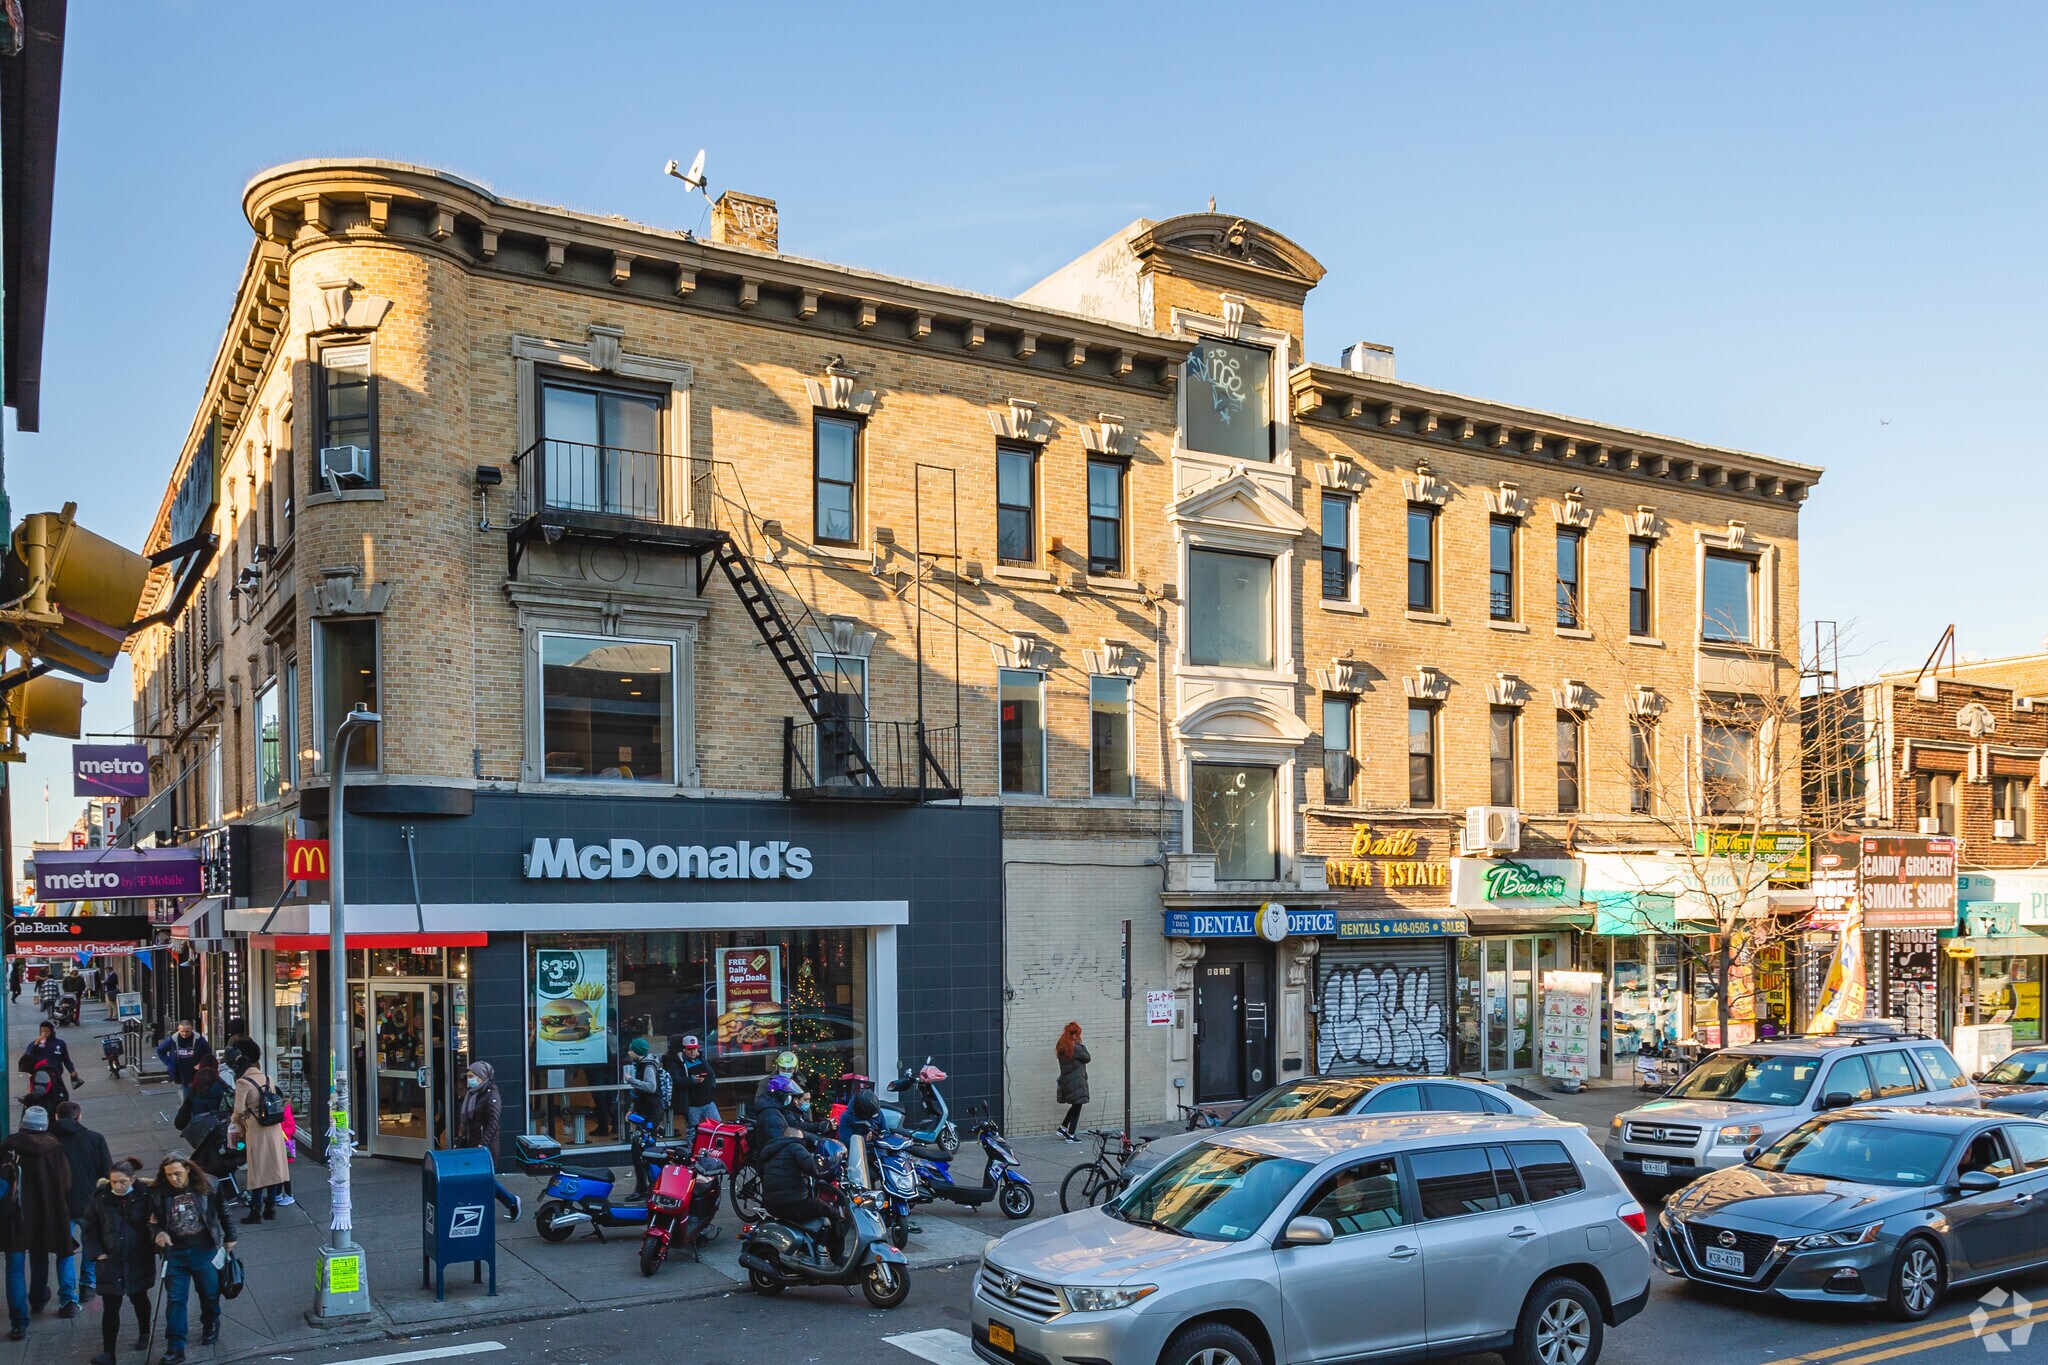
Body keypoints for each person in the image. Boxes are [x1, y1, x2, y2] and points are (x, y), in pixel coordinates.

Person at [146, 1155, 233, 1365]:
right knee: (175, 1300)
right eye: (169, 1175)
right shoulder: (158, 1193)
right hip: (175, 1253)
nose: (174, 1179)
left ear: (187, 1169)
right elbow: (151, 1222)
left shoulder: (208, 1184)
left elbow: (223, 1211)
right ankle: (175, 1347)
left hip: (204, 1249)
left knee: (210, 1291)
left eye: (177, 1173)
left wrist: (231, 1236)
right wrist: (157, 1233)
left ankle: (211, 1321)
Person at [0, 1106, 76, 1341]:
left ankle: (19, 1323)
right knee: (40, 1255)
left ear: (23, 1125)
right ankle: (37, 1298)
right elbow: (66, 1182)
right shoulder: (54, 1149)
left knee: (14, 1268)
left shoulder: (9, 1148)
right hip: (45, 1215)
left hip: (15, 1217)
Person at [754, 1078, 842, 1258]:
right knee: (832, 1213)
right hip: (792, 1202)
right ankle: (837, 1256)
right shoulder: (774, 1116)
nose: (790, 1099)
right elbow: (814, 1169)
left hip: (772, 1201)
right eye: (788, 1096)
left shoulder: (775, 1144)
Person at [80, 1157, 154, 1365]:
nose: (118, 1186)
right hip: (110, 1259)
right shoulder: (100, 1198)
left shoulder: (145, 1195)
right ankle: (108, 1352)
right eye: (114, 1182)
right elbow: (90, 1228)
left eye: (122, 1181)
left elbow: (155, 1220)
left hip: (138, 1257)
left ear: (132, 1179)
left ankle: (145, 1332)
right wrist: (98, 1253)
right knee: (111, 1306)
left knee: (139, 1297)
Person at [51, 1100, 110, 1311]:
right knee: (91, 1244)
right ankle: (88, 1283)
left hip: (61, 1205)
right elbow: (107, 1173)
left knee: (65, 1252)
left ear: (57, 1117)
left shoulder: (50, 1142)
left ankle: (68, 1298)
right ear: (79, 1116)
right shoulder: (95, 1139)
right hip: (90, 1202)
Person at [229, 1045, 289, 1223]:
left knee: (258, 1169)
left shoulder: (243, 1083)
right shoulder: (268, 1078)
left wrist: (237, 1126)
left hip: (256, 1128)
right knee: (274, 1167)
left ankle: (256, 1211)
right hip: (274, 1127)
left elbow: (238, 1110)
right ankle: (271, 1208)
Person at [456, 1061, 520, 1222]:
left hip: (485, 1146)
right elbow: (467, 1120)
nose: (469, 1079)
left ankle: (511, 1201)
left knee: (484, 1179)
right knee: (478, 1178)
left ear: (482, 1077)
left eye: (472, 1076)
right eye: (468, 1076)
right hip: (471, 1142)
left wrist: (483, 1144)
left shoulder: (491, 1095)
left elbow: (493, 1122)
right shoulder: (472, 1093)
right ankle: (506, 1203)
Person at [18, 1022, 81, 1107]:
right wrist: (36, 1044)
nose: (44, 1033)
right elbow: (27, 1056)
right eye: (42, 1031)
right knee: (41, 1098)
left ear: (52, 1031)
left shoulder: (60, 1043)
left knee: (60, 1098)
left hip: (56, 1076)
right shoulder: (34, 1044)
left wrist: (72, 1070)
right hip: (41, 1077)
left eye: (47, 1031)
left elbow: (66, 1060)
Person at [671, 1035, 719, 1136]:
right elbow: (675, 1081)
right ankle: (693, 1151)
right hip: (692, 1105)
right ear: (684, 1049)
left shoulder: (701, 1058)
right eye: (690, 1049)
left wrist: (712, 1089)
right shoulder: (679, 1063)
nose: (693, 1051)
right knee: (693, 1132)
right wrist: (691, 1080)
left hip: (708, 1102)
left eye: (695, 1048)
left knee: (717, 1127)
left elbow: (711, 1074)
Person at [172, 1061, 233, 1139]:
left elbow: (181, 1120)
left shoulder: (195, 1096)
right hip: (225, 1130)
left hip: (203, 1133)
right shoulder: (225, 1090)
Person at [154, 1022, 214, 1097]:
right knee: (186, 1095)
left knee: (195, 1095)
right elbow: (160, 1050)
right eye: (182, 1031)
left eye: (187, 1031)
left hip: (196, 1072)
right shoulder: (173, 1039)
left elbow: (208, 1052)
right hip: (181, 1073)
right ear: (178, 1029)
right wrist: (169, 1063)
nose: (184, 1034)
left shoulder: (199, 1039)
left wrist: (202, 1063)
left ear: (191, 1029)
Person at [1054, 1021, 1090, 1142]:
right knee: (1077, 1106)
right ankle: (1071, 1134)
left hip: (1067, 1080)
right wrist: (1081, 1044)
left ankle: (1063, 1128)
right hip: (1077, 1080)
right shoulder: (1076, 1047)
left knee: (1075, 1105)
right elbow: (1087, 1057)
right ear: (1075, 1034)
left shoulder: (1061, 1045)